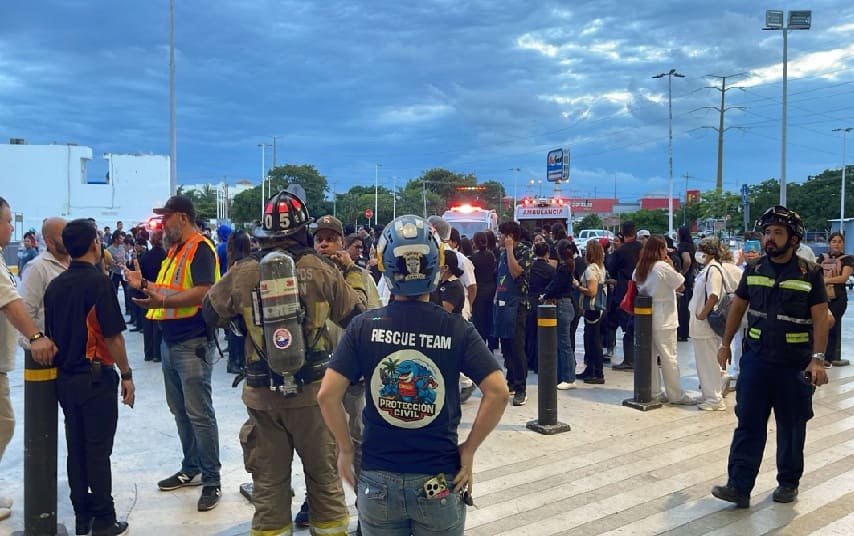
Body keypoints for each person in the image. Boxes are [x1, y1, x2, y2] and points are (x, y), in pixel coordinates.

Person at [317, 214, 509, 536]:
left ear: (384, 265)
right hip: (438, 481)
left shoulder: (364, 326)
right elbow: (499, 391)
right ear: (436, 266)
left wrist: (346, 449)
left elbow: (327, 395)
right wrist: (469, 449)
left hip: (377, 481)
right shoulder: (456, 328)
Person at [205, 190, 363, 536]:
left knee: (269, 488)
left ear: (264, 232)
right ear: (303, 230)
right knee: (324, 482)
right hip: (314, 397)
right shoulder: (322, 269)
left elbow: (210, 312)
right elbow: (356, 318)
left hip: (263, 398)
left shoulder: (243, 272)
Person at [712, 206, 829, 508]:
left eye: (777, 233)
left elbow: (821, 318)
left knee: (791, 427)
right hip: (757, 361)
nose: (770, 238)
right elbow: (738, 307)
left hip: (794, 365)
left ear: (793, 239)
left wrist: (817, 359)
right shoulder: (754, 269)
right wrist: (725, 343)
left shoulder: (810, 273)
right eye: (767, 232)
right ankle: (738, 486)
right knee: (748, 424)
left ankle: (788, 482)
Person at [124, 195, 223, 512]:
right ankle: (191, 467)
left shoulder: (200, 248)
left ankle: (212, 480)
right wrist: (145, 284)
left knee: (199, 413)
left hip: (192, 342)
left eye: (166, 218)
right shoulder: (176, 250)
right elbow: (170, 290)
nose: (162, 224)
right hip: (171, 342)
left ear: (182, 217)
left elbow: (204, 291)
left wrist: (162, 302)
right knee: (180, 411)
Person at [43, 218, 136, 536]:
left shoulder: (55, 286)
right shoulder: (99, 283)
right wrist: (127, 374)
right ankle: (105, 520)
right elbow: (113, 337)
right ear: (95, 244)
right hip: (96, 379)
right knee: (98, 451)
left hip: (65, 380)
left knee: (77, 448)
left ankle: (82, 517)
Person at [0, 197, 59, 522]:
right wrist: (36, 337)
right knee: (4, 424)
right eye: (7, 221)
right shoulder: (37, 266)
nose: (12, 227)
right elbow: (12, 303)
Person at [633, 236, 694, 405]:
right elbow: (681, 285)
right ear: (659, 250)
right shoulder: (662, 267)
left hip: (645, 317)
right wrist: (672, 266)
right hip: (665, 317)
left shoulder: (640, 266)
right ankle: (676, 395)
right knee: (669, 357)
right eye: (664, 248)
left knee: (650, 357)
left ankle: (654, 392)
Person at [494, 220, 532, 406]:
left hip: (517, 305)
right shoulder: (501, 254)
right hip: (502, 304)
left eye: (501, 234)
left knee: (517, 347)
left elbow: (516, 272)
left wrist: (510, 250)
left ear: (510, 236)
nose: (499, 238)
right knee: (506, 346)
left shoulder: (524, 251)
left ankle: (521, 388)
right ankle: (510, 380)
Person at [541, 239, 577, 389]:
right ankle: (563, 375)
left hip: (561, 305)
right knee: (563, 343)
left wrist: (545, 295)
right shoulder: (568, 266)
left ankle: (568, 378)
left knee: (564, 344)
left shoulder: (563, 268)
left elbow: (556, 285)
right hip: (566, 304)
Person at [608, 221, 642, 370]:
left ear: (623, 232)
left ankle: (629, 360)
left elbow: (611, 268)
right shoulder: (641, 248)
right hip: (640, 289)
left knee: (627, 325)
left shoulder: (620, 251)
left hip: (623, 290)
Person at [816, 232, 852, 367]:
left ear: (843, 244)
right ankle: (816, 355)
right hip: (822, 297)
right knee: (818, 326)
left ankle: (828, 358)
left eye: (839, 241)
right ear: (829, 243)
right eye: (834, 241)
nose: (837, 244)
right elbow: (815, 273)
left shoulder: (847, 260)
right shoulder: (822, 257)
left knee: (832, 327)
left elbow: (844, 278)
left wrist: (827, 280)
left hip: (838, 298)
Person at [578, 239, 607, 384]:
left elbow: (592, 291)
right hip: (599, 308)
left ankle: (597, 372)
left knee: (593, 341)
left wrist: (577, 286)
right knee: (593, 340)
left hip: (592, 309)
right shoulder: (600, 268)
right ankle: (591, 369)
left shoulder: (590, 270)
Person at [526, 241, 555, 373]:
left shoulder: (530, 267)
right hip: (544, 303)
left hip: (529, 301)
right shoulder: (551, 270)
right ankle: (539, 363)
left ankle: (529, 361)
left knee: (529, 333)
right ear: (547, 254)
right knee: (543, 335)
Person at [137, 230, 166, 362]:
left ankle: (148, 353)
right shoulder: (166, 256)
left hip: (146, 292)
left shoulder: (145, 256)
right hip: (161, 292)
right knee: (158, 324)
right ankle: (157, 354)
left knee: (147, 323)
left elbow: (141, 275)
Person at [469, 231, 496, 344]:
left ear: (474, 242)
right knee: (489, 317)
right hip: (491, 289)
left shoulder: (473, 258)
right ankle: (491, 342)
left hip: (479, 290)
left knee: (478, 319)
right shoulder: (491, 255)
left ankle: (481, 342)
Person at [676, 226, 697, 342]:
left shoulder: (683, 246)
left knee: (682, 306)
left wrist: (682, 272)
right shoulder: (691, 246)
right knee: (686, 306)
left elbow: (687, 260)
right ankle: (685, 331)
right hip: (690, 278)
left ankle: (682, 332)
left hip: (685, 278)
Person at [431, 250, 466, 314]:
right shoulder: (440, 282)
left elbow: (444, 311)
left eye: (438, 264)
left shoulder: (455, 287)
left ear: (445, 267)